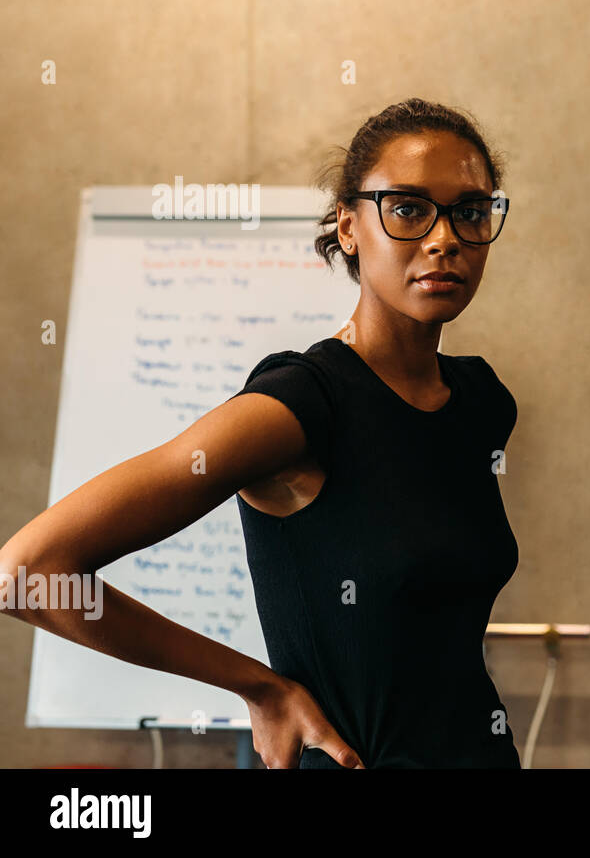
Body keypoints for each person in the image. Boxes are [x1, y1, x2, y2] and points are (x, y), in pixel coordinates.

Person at [0, 98, 521, 768]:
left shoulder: (481, 401)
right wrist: (261, 687)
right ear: (350, 226)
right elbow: (29, 572)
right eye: (408, 207)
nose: (445, 237)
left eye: (471, 210)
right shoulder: (302, 404)